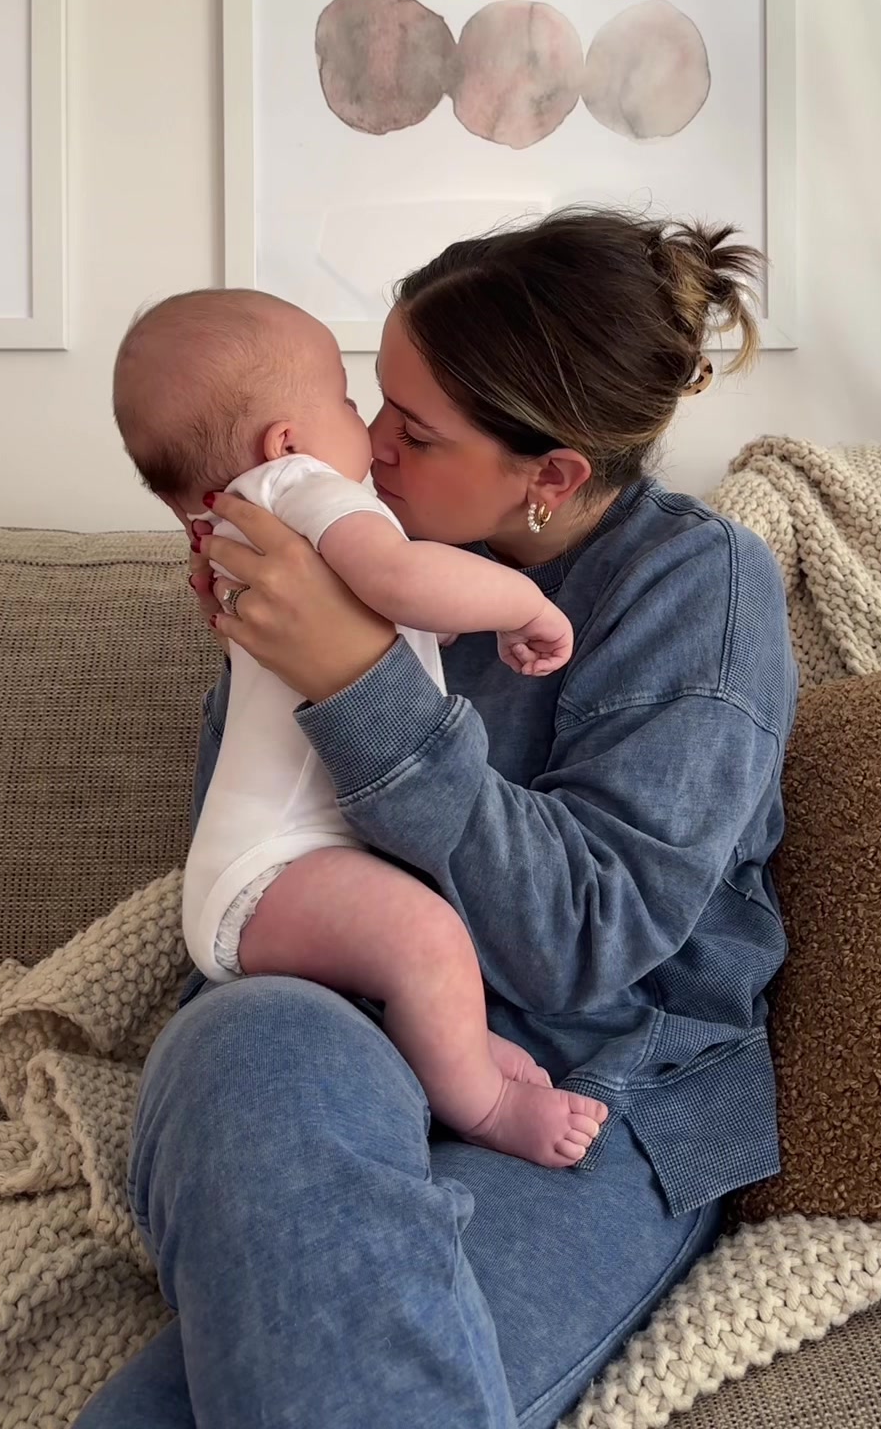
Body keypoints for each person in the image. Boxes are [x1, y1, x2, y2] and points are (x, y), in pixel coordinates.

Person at [78, 208, 798, 1429]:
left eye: (413, 433)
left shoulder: (697, 588)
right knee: (248, 1039)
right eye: (374, 401)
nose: (368, 445)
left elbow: (587, 941)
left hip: (593, 1084)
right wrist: (265, 665)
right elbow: (265, 865)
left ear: (550, 476)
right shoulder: (350, 540)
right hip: (318, 1043)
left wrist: (359, 681)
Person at [112, 289, 604, 1168]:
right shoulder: (296, 488)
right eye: (349, 399)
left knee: (415, 944)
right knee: (426, 937)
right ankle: (485, 1104)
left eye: (405, 424)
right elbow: (402, 582)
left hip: (263, 868)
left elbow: (388, 616)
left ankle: (453, 1044)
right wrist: (522, 602)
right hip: (275, 868)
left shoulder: (256, 522)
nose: (372, 435)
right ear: (284, 442)